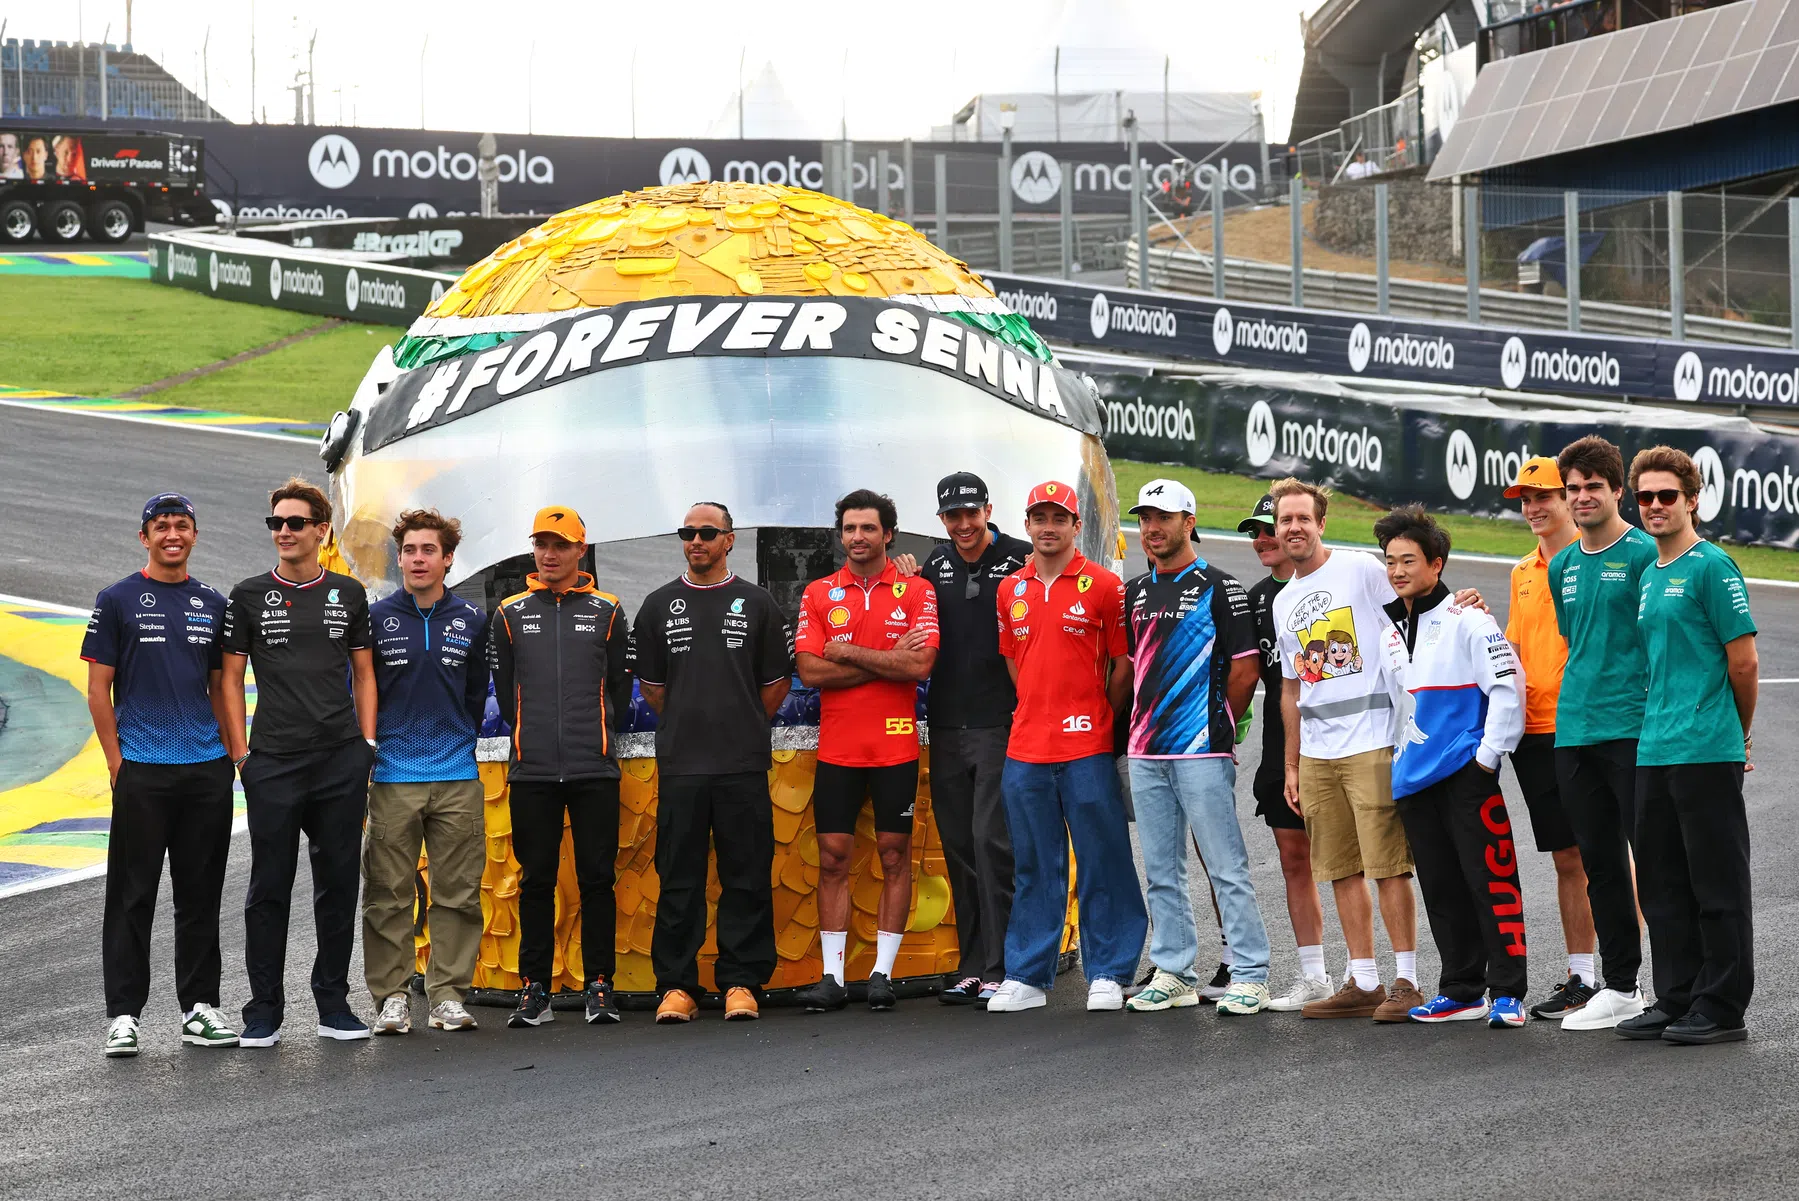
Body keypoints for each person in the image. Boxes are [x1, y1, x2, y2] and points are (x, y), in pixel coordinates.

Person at [221, 478, 377, 1047]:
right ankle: (263, 1010)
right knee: (269, 886)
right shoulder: (248, 594)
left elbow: (364, 673)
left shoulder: (348, 593)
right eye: (275, 524)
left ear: (320, 530)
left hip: (340, 760)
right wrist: (242, 754)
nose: (283, 532)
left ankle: (333, 1004)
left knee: (338, 883)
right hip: (274, 763)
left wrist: (366, 745)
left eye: (294, 523)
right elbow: (232, 679)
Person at [84, 493, 238, 1057]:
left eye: (182, 525)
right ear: (144, 537)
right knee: (132, 895)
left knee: (200, 894)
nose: (172, 534)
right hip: (142, 769)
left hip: (204, 771)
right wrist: (116, 762)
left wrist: (229, 756)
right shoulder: (117, 599)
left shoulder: (211, 602)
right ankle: (124, 1015)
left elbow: (223, 688)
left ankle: (200, 1008)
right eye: (161, 526)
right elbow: (99, 689)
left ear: (194, 535)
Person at [986, 482, 1148, 1014]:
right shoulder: (1010, 588)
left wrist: (1096, 711)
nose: (1048, 527)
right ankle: (1029, 974)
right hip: (1026, 745)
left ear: (1077, 526)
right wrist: (1038, 704)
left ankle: (1110, 971)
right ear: (1027, 525)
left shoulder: (1104, 586)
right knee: (1034, 862)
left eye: (1060, 518)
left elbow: (1123, 666)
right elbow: (1015, 660)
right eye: (1039, 518)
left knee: (1103, 857)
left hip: (1087, 744)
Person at [1617, 447, 1758, 1045]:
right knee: (1662, 883)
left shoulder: (1713, 567)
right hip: (1655, 749)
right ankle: (1676, 996)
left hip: (1706, 747)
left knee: (1716, 884)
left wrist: (1737, 731)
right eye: (1644, 497)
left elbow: (1744, 663)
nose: (1653, 506)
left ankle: (1722, 1006)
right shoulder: (1648, 574)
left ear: (1692, 499)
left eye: (1666, 496)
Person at [1270, 477, 1422, 1021]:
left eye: (1302, 519)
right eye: (1284, 519)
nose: (1293, 528)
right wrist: (1292, 762)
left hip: (1374, 743)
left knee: (1388, 866)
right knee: (1339, 869)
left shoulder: (1359, 569)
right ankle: (1364, 980)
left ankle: (1406, 979)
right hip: (1317, 755)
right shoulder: (1284, 602)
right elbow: (1292, 688)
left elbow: (1413, 613)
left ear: (1320, 523)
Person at [634, 502, 792, 1024]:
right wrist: (692, 721)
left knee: (745, 875)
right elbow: (654, 689)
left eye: (707, 533)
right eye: (688, 532)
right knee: (679, 877)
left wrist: (738, 722)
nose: (696, 540)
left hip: (742, 762)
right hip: (682, 763)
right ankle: (677, 986)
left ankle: (741, 982)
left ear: (730, 540)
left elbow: (774, 686)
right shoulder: (658, 606)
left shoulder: (759, 602)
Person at [1121, 480, 1272, 1016]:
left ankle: (1251, 972)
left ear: (1189, 522)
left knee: (1225, 866)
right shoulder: (1135, 591)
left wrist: (1217, 724)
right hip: (1145, 749)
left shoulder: (1220, 586)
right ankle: (1175, 969)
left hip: (1201, 749)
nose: (1152, 528)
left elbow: (1246, 669)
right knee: (1161, 867)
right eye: (1144, 518)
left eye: (1163, 517)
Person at [1374, 506, 1528, 1029]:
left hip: (1467, 774)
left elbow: (1509, 688)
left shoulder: (1470, 618)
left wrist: (1486, 758)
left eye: (1408, 561)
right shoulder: (1389, 629)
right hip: (1414, 779)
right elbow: (1398, 707)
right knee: (1441, 888)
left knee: (1492, 881)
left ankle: (1508, 992)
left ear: (1436, 564)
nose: (1396, 571)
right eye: (1390, 561)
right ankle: (1462, 989)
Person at [792, 490, 939, 1013]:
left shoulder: (917, 591)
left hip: (895, 744)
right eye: (850, 528)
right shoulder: (817, 592)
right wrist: (884, 660)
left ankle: (882, 974)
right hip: (839, 748)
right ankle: (833, 977)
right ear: (841, 535)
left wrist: (848, 652)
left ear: (888, 534)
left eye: (868, 528)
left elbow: (920, 667)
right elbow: (810, 672)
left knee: (894, 856)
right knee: (833, 858)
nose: (858, 537)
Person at [490, 505, 632, 1029]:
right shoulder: (508, 613)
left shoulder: (609, 610)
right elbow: (505, 697)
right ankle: (535, 989)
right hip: (532, 770)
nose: (549, 555)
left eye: (560, 545)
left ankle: (599, 984)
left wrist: (594, 738)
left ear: (580, 550)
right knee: (536, 881)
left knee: (598, 880)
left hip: (594, 768)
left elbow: (619, 686)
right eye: (541, 544)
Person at [363, 510, 490, 1036]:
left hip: (457, 773)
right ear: (399, 557)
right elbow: (362, 689)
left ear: (448, 559)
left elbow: (478, 692)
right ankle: (392, 996)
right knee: (388, 891)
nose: (418, 559)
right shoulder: (375, 618)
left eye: (428, 550)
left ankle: (447, 994)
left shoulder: (472, 619)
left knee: (457, 891)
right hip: (392, 776)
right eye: (410, 550)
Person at [1549, 436, 1658, 1032]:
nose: (1584, 497)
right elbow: (1576, 640)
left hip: (1635, 729)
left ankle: (1677, 986)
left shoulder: (1645, 554)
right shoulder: (1563, 564)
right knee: (1600, 864)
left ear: (1620, 491)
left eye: (1595, 486)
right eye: (1575, 489)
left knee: (1657, 860)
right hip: (1575, 731)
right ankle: (1621, 986)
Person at [916, 472, 1030, 1006]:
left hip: (1002, 721)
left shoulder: (1022, 557)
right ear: (941, 519)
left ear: (988, 509)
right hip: (945, 724)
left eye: (971, 513)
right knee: (960, 844)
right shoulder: (933, 564)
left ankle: (1004, 964)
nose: (963, 524)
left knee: (992, 842)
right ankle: (972, 963)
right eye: (952, 516)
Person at [1502, 457, 1599, 1020]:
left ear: (1572, 498)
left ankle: (1623, 972)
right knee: (1567, 857)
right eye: (1526, 499)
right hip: (1536, 731)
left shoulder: (1604, 559)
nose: (1535, 508)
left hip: (1590, 726)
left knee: (1605, 853)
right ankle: (1581, 976)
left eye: (1545, 496)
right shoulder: (1521, 571)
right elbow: (1515, 651)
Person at [1238, 493, 1332, 1012]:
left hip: (1341, 744)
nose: (1262, 539)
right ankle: (1315, 975)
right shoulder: (1254, 599)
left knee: (1356, 864)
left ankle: (1381, 974)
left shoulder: (1336, 581)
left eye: (1269, 528)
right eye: (1257, 530)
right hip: (1282, 751)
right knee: (1294, 860)